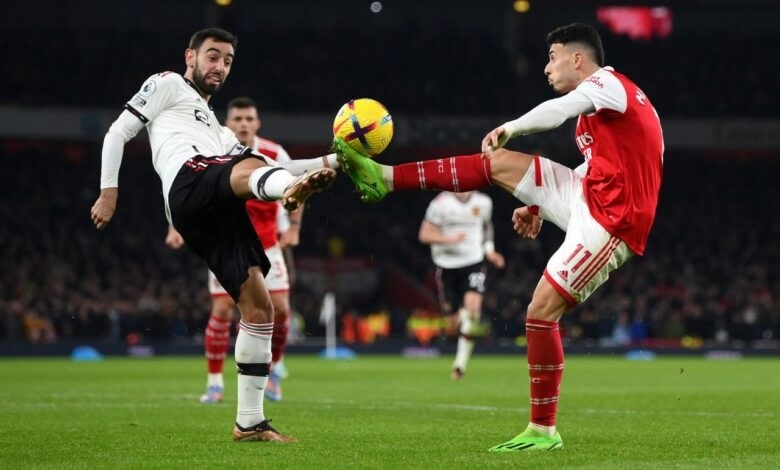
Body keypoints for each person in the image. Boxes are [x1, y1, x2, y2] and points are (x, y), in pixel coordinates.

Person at [335, 23, 663, 452]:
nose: (547, 67)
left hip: (612, 222)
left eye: (553, 57)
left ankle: (543, 430)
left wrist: (513, 125)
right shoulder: (608, 105)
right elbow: (608, 166)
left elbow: (556, 109)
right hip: (591, 194)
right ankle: (386, 177)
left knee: (540, 311)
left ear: (577, 59)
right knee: (497, 163)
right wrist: (537, 204)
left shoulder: (605, 83)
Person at [91, 27, 340, 443]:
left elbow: (281, 162)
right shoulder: (168, 84)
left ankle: (249, 422)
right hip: (188, 182)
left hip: (215, 203)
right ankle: (288, 193)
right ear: (190, 56)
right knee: (251, 164)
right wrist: (108, 190)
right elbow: (118, 131)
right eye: (212, 56)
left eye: (227, 61)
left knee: (260, 308)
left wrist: (335, 160)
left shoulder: (221, 133)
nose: (219, 66)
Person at [166, 96, 314, 404]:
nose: (243, 124)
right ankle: (215, 383)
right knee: (221, 310)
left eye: (249, 119)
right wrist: (173, 226)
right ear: (227, 122)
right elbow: (182, 187)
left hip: (269, 245)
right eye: (238, 119)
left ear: (257, 123)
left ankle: (274, 372)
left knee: (282, 310)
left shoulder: (274, 153)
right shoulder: (210, 150)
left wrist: (295, 228)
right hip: (227, 244)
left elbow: (300, 184)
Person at [418, 191, 505, 380]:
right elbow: (424, 234)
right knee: (452, 325)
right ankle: (465, 315)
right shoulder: (440, 203)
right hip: (446, 265)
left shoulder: (483, 201)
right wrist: (447, 239)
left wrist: (490, 251)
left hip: (473, 261)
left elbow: (486, 226)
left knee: (473, 311)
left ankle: (460, 364)